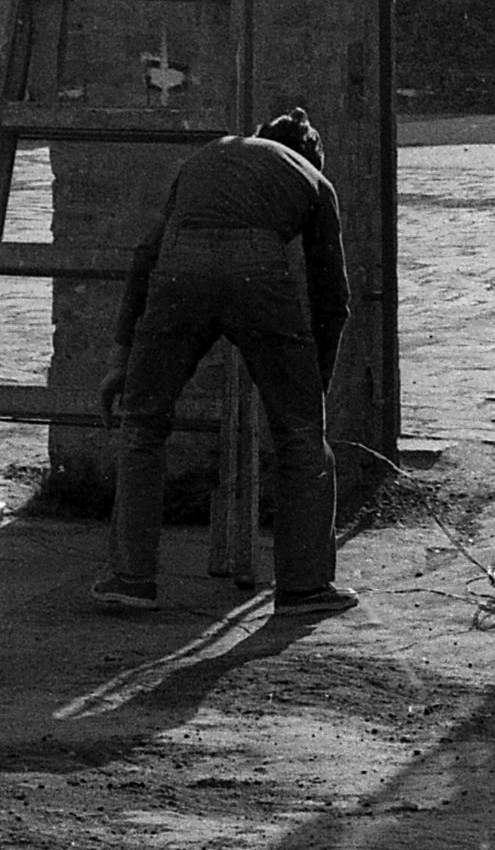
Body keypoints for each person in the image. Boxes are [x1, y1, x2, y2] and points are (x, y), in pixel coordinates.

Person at [93, 105, 355, 615]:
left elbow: (146, 256)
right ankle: (304, 588)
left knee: (142, 428)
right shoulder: (313, 178)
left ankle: (131, 579)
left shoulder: (207, 158)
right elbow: (332, 299)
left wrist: (121, 359)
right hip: (258, 266)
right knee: (300, 438)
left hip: (179, 264)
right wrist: (311, 392)